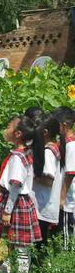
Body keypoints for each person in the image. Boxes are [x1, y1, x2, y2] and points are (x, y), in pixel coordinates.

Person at [0, 116, 42, 273]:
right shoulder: (23, 153)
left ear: (18, 134)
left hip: (16, 204)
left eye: (9, 126)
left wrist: (7, 211)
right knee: (15, 243)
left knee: (20, 245)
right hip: (18, 202)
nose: (6, 129)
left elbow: (15, 186)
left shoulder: (18, 157)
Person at [30, 114, 62, 257]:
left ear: (45, 132)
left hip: (43, 204)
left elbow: (49, 180)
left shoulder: (48, 152)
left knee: (39, 245)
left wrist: (31, 176)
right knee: (40, 244)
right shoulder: (54, 148)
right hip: (44, 204)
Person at [54, 107, 75, 249]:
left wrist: (61, 199)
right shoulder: (67, 144)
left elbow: (70, 174)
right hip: (66, 198)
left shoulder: (71, 145)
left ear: (64, 125)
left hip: (68, 202)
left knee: (66, 240)